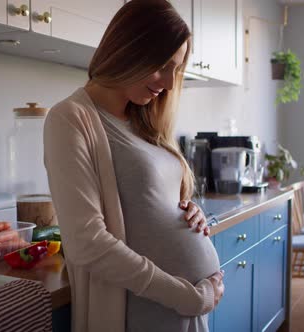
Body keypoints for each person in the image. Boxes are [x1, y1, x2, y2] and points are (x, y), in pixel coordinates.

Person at [43, 1, 224, 331]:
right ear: (129, 49)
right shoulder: (70, 119)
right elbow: (87, 243)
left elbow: (150, 201)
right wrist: (187, 297)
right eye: (162, 66)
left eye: (176, 69)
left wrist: (189, 211)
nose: (169, 82)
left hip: (187, 310)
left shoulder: (144, 120)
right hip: (145, 315)